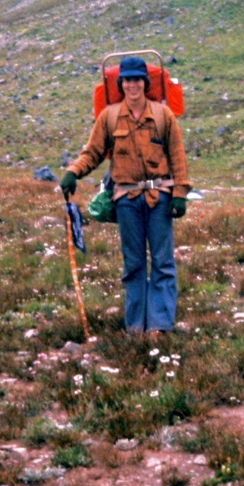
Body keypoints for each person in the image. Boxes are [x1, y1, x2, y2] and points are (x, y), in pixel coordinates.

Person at [60, 55, 191, 336]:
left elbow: (178, 156)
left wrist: (180, 193)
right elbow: (93, 153)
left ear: (145, 82)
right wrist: (73, 172)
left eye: (137, 80)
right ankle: (135, 326)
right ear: (121, 84)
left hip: (160, 197)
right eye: (127, 80)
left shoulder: (162, 114)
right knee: (133, 264)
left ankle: (159, 326)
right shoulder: (108, 117)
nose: (133, 85)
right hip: (126, 199)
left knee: (163, 262)